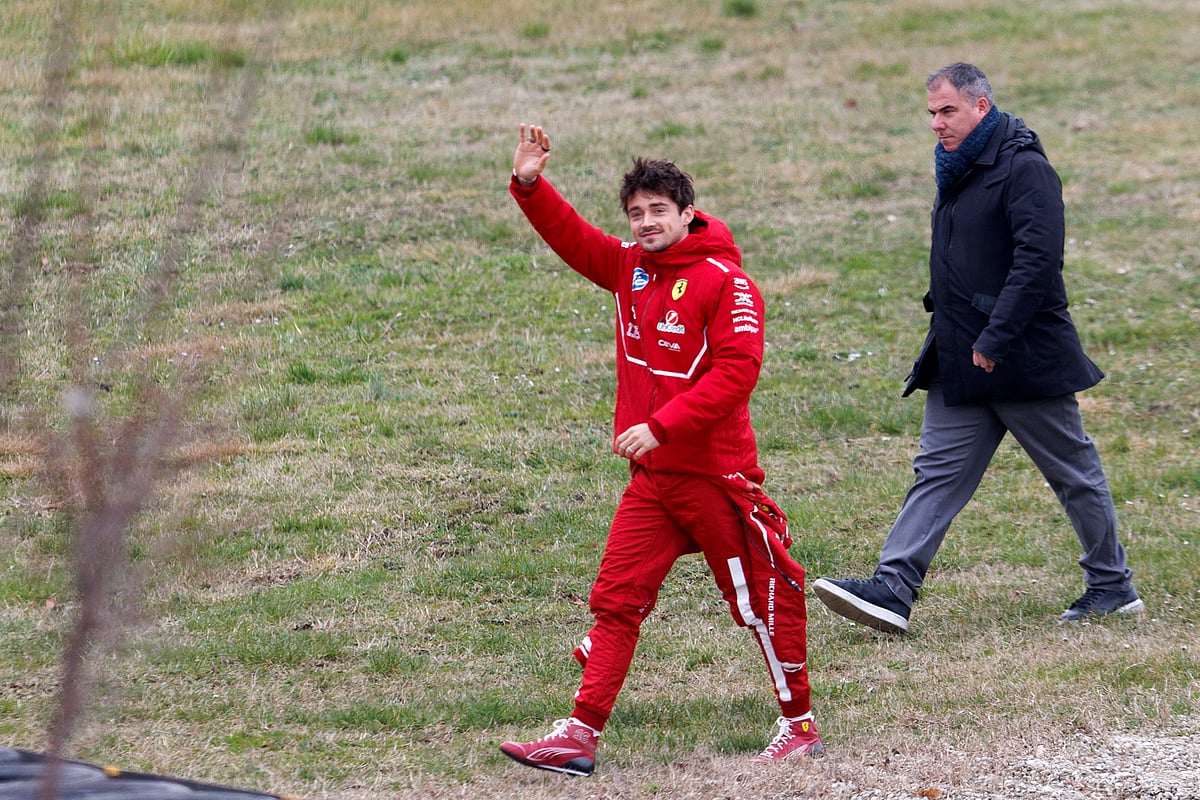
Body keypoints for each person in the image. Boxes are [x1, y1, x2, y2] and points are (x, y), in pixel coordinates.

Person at [498, 124, 823, 776]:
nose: (646, 223)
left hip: (713, 478)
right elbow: (573, 238)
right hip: (653, 479)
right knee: (615, 603)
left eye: (658, 211)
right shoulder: (629, 269)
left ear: (687, 214)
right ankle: (579, 737)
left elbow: (737, 373)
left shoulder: (726, 283)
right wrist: (530, 185)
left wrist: (664, 425)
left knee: (761, 604)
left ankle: (800, 727)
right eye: (637, 213)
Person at [812, 63, 1142, 635]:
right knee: (936, 473)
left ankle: (1112, 585)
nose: (937, 124)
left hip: (1019, 357)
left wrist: (996, 337)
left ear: (981, 107)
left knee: (1073, 473)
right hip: (960, 355)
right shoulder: (960, 167)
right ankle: (893, 587)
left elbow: (1038, 264)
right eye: (932, 114)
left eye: (948, 111)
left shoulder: (1025, 170)